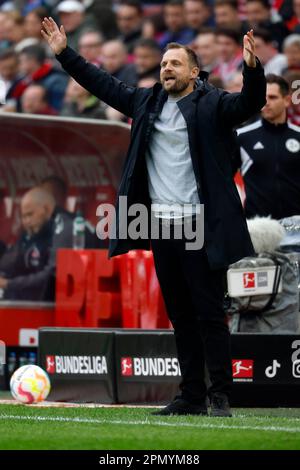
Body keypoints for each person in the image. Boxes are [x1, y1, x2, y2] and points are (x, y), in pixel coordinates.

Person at [41, 17, 266, 416]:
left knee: (209, 312)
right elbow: (102, 84)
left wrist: (251, 69)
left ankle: (220, 395)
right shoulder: (146, 102)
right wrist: (64, 53)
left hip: (199, 226)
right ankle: (192, 394)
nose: (166, 68)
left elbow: (249, 104)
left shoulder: (212, 103)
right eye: (163, 63)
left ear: (194, 72)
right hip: (161, 226)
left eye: (175, 63)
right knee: (180, 314)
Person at [234, 74, 300, 220]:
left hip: (297, 226)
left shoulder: (298, 136)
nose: (266, 102)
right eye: (264, 97)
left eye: (273, 97)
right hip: (258, 227)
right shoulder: (242, 137)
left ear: (287, 100)